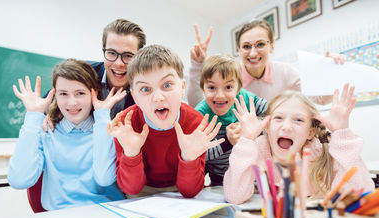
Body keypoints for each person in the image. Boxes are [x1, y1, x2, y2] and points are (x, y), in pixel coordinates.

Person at [223, 84, 375, 204]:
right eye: (278, 118)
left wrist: (341, 133)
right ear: (267, 126)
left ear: (310, 132)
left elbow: (361, 194)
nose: (287, 127)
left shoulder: (320, 151)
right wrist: (247, 140)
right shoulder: (257, 149)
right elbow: (234, 196)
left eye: (299, 120)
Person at [107, 45, 224, 198]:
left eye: (167, 85)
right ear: (135, 97)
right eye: (145, 89)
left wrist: (189, 157)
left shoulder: (196, 123)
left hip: (180, 190)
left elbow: (190, 191)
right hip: (142, 191)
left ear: (182, 88)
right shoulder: (126, 124)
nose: (158, 97)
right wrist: (131, 152)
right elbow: (131, 189)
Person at [8, 59, 126, 210]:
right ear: (55, 95)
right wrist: (33, 116)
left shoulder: (110, 130)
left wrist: (102, 116)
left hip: (106, 214)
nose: (72, 102)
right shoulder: (46, 133)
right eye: (63, 94)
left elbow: (104, 179)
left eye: (80, 93)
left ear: (94, 93)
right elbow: (19, 180)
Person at [186, 21, 345, 107]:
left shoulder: (285, 72)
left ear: (271, 47)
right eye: (247, 47)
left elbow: (320, 99)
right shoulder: (230, 74)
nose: (253, 53)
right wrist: (197, 64)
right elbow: (197, 104)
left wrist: (332, 72)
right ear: (239, 51)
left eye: (260, 44)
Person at [44, 18, 146, 131]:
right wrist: (48, 113)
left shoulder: (146, 86)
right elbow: (52, 97)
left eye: (128, 55)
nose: (118, 63)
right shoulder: (84, 73)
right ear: (104, 51)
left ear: (139, 57)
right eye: (112, 53)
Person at [195, 54, 268, 186]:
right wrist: (227, 142)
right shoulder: (200, 115)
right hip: (220, 180)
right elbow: (201, 155)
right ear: (203, 89)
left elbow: (271, 110)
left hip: (252, 175)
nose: (220, 95)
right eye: (212, 87)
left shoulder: (244, 98)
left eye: (228, 87)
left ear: (238, 89)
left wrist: (256, 126)